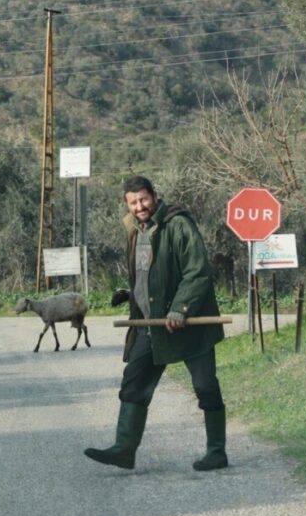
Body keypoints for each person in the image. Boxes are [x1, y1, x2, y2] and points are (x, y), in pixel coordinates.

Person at [85, 176, 228, 471]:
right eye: (133, 202)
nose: (140, 206)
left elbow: (197, 272)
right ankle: (124, 449)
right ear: (127, 204)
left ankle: (217, 452)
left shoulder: (178, 225)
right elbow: (147, 273)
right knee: (134, 382)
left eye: (144, 199)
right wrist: (131, 294)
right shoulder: (136, 230)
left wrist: (180, 308)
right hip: (151, 324)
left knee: (205, 387)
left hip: (191, 325)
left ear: (154, 196)